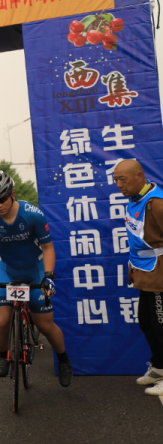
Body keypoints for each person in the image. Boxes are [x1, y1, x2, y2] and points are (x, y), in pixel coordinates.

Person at [0, 170, 72, 387]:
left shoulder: (32, 214)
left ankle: (64, 359)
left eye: (2, 199)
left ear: (13, 194)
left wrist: (48, 275)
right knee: (2, 321)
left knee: (45, 325)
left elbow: (48, 248)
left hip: (34, 269)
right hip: (6, 270)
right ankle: (3, 356)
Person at [113, 160, 163, 395]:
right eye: (115, 180)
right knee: (146, 321)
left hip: (159, 273)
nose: (118, 184)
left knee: (160, 324)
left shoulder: (157, 204)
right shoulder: (136, 200)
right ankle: (159, 367)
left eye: (123, 179)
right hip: (144, 270)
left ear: (139, 176)